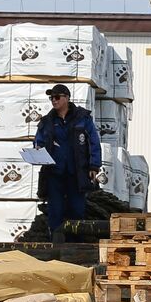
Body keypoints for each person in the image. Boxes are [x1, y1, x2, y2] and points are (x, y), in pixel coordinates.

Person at [33, 83, 101, 239]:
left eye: (57, 97)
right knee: (55, 210)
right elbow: (39, 141)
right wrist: (37, 148)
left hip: (77, 172)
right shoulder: (47, 121)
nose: (54, 101)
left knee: (76, 209)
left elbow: (94, 143)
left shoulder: (83, 118)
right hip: (54, 173)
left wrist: (94, 166)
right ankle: (56, 244)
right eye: (51, 98)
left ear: (67, 98)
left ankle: (76, 245)